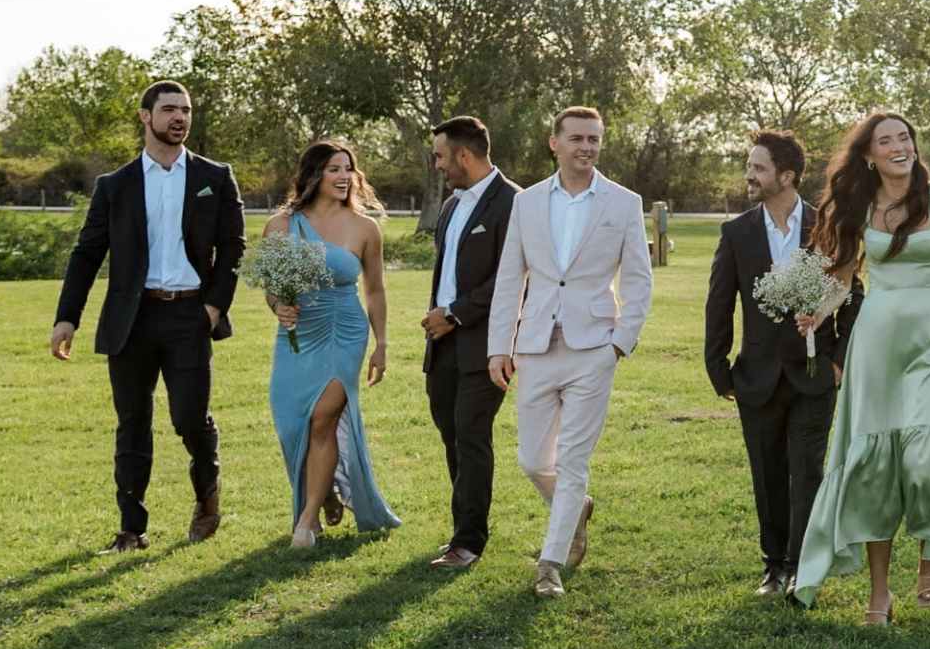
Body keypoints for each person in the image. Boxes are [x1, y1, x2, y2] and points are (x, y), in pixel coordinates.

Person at [794, 113, 930, 624]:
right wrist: (819, 311)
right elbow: (845, 278)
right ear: (869, 156)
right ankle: (878, 595)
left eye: (905, 137)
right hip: (874, 344)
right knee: (872, 469)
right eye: (886, 141)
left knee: (921, 452)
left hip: (928, 340)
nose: (899, 146)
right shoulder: (862, 205)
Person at [50, 80, 242, 551]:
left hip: (189, 316)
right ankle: (131, 530)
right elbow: (87, 253)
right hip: (131, 320)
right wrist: (67, 317)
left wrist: (215, 306)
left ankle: (207, 496)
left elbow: (234, 247)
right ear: (145, 117)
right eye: (170, 109)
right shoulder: (114, 186)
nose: (180, 117)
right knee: (132, 422)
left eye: (186, 110)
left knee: (189, 418)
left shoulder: (214, 178)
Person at [486, 105, 651, 599]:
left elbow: (639, 281)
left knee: (574, 459)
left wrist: (619, 343)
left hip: (593, 348)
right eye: (577, 138)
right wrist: (500, 346)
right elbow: (511, 276)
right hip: (535, 345)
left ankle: (549, 563)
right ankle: (574, 507)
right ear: (553, 142)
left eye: (594, 140)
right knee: (534, 461)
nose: (586, 147)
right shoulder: (528, 202)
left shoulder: (623, 203)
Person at [701, 129, 833, 597]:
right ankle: (773, 566)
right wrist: (719, 370)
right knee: (768, 471)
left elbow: (850, 295)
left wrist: (837, 361)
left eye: (757, 167)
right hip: (755, 377)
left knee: (807, 471)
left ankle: (802, 566)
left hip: (815, 375)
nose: (748, 175)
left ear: (787, 176)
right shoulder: (736, 232)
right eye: (749, 165)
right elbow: (719, 304)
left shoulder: (827, 227)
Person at [256, 138, 397, 548]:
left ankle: (306, 520)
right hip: (297, 335)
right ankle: (327, 492)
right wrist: (279, 305)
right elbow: (271, 288)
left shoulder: (365, 228)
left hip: (343, 331)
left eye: (348, 168)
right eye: (334, 168)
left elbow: (375, 290)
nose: (343, 176)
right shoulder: (281, 226)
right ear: (313, 175)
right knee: (291, 426)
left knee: (323, 417)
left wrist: (382, 343)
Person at [416, 117, 515, 570]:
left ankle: (469, 542)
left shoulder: (514, 203)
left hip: (487, 346)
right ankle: (462, 530)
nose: (436, 165)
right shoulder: (453, 205)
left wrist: (455, 313)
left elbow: (514, 279)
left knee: (472, 435)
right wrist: (440, 318)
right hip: (443, 344)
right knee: (451, 433)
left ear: (464, 155)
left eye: (439, 156)